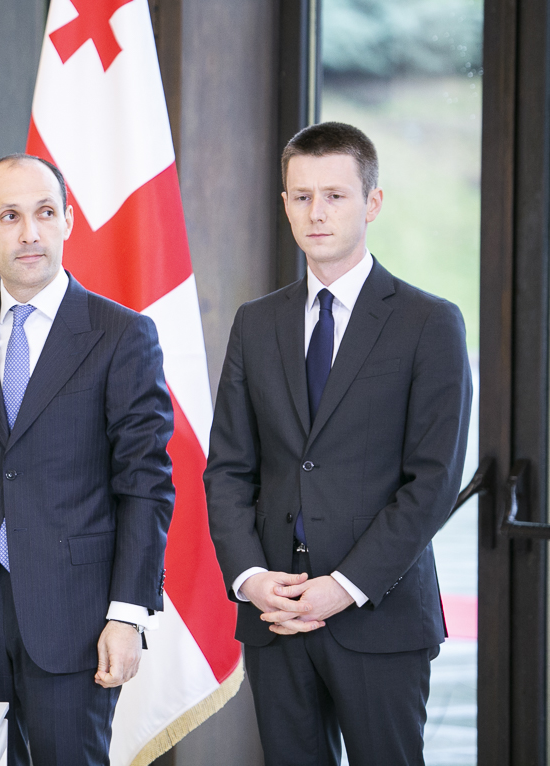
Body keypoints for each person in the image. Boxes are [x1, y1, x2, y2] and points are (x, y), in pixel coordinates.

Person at [204, 122, 472, 765]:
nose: (316, 213)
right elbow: (229, 469)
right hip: (275, 614)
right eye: (301, 197)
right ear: (285, 204)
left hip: (379, 615)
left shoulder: (429, 322)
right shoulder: (255, 322)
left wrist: (345, 585)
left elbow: (433, 482)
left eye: (334, 195)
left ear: (372, 203)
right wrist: (251, 578)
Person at [0, 154, 176, 766]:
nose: (30, 232)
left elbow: (146, 486)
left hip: (77, 616)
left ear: (69, 221)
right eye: (10, 216)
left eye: (45, 213)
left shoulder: (122, 334)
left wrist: (128, 614)